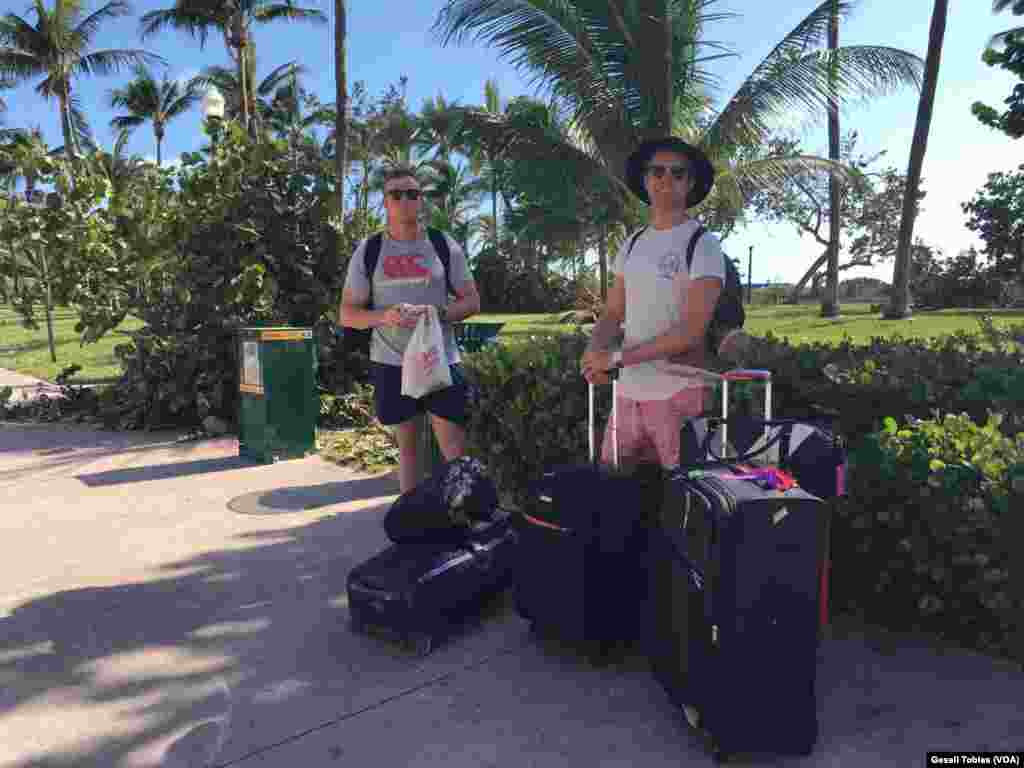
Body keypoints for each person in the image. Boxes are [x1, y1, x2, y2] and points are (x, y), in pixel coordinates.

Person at [581, 136, 726, 471]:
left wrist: (616, 358)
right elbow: (613, 313)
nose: (666, 179)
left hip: (680, 395)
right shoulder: (631, 245)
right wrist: (594, 354)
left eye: (678, 173)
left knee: (684, 506)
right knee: (614, 499)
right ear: (645, 180)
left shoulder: (702, 245)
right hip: (628, 396)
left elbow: (691, 331)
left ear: (690, 184)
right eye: (657, 171)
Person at [339, 166, 481, 493]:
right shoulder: (370, 250)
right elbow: (348, 314)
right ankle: (413, 525)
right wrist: (384, 317)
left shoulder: (442, 244)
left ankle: (468, 518)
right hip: (392, 363)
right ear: (385, 203)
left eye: (412, 194)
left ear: (421, 202)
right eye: (396, 194)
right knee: (409, 452)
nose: (405, 200)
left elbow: (472, 300)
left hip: (440, 360)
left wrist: (439, 312)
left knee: (455, 450)